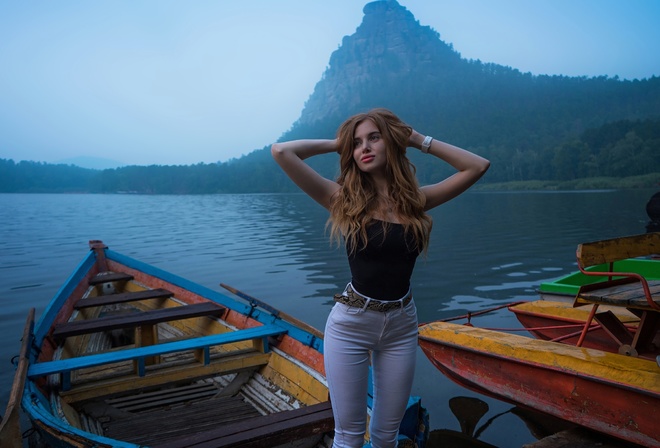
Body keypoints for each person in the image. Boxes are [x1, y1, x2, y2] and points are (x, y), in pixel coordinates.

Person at [271, 108, 490, 448]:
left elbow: (477, 166)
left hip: (402, 324)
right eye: (357, 144)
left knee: (387, 436)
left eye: (374, 137)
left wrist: (417, 140)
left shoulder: (416, 202)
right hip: (351, 325)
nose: (364, 147)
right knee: (349, 436)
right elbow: (282, 152)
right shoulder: (343, 200)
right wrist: (337, 143)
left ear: (391, 143)